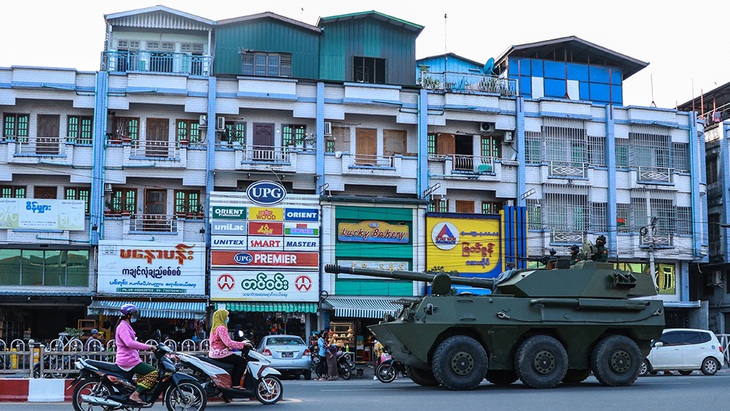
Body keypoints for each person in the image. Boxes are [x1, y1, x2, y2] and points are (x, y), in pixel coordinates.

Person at [115, 304, 157, 406]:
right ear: (129, 315)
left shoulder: (126, 325)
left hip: (131, 359)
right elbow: (129, 343)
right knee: (153, 373)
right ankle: (135, 395)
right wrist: (148, 347)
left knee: (142, 376)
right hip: (128, 360)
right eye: (133, 315)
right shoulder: (123, 327)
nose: (135, 317)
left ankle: (138, 393)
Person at [209, 309, 252, 388]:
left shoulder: (214, 328)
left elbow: (224, 343)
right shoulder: (221, 328)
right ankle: (236, 384)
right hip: (221, 354)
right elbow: (228, 343)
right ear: (222, 317)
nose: (227, 318)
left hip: (214, 353)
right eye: (226, 316)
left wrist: (236, 346)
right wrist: (243, 344)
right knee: (242, 362)